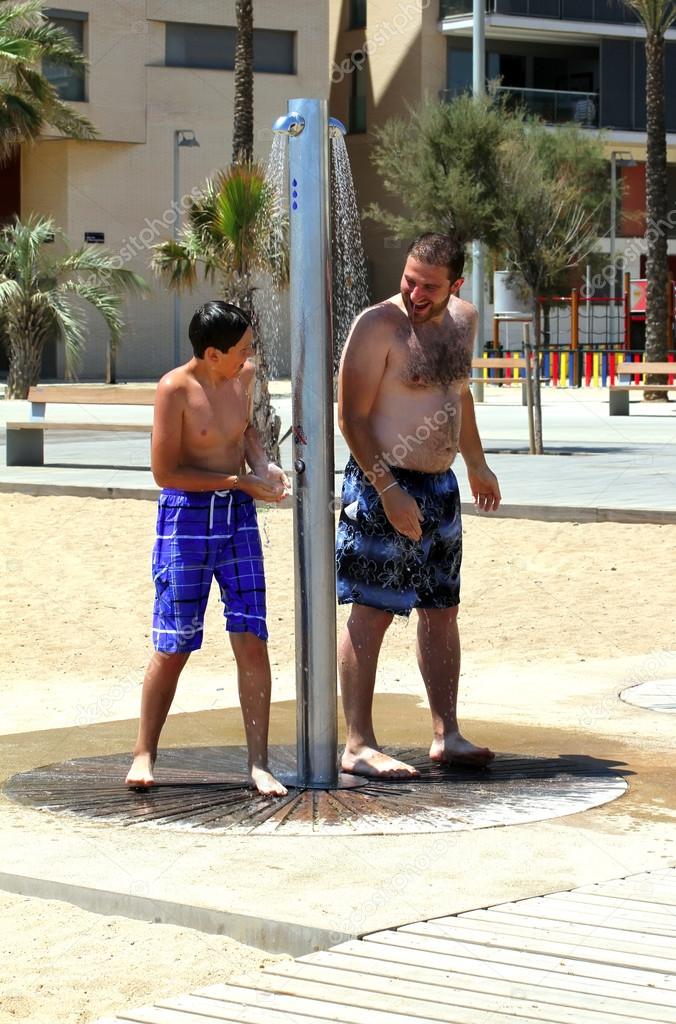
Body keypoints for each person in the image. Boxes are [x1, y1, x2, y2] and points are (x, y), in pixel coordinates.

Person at [336, 232, 501, 780]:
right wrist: (387, 490)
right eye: (409, 279)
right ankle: (358, 742)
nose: (415, 292)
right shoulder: (377, 325)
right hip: (383, 483)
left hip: (440, 486)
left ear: (456, 284)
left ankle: (445, 734)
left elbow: (457, 393)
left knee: (441, 609)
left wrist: (475, 462)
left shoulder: (464, 320)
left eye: (430, 285)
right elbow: (352, 419)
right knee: (374, 608)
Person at [126, 300, 290, 797]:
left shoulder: (242, 377)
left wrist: (263, 466)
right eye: (242, 349)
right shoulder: (175, 389)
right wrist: (240, 481)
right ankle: (144, 752)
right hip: (188, 518)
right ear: (213, 353)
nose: (251, 355)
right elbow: (166, 473)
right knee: (174, 643)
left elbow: (247, 433)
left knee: (251, 633)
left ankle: (258, 762)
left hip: (237, 517)